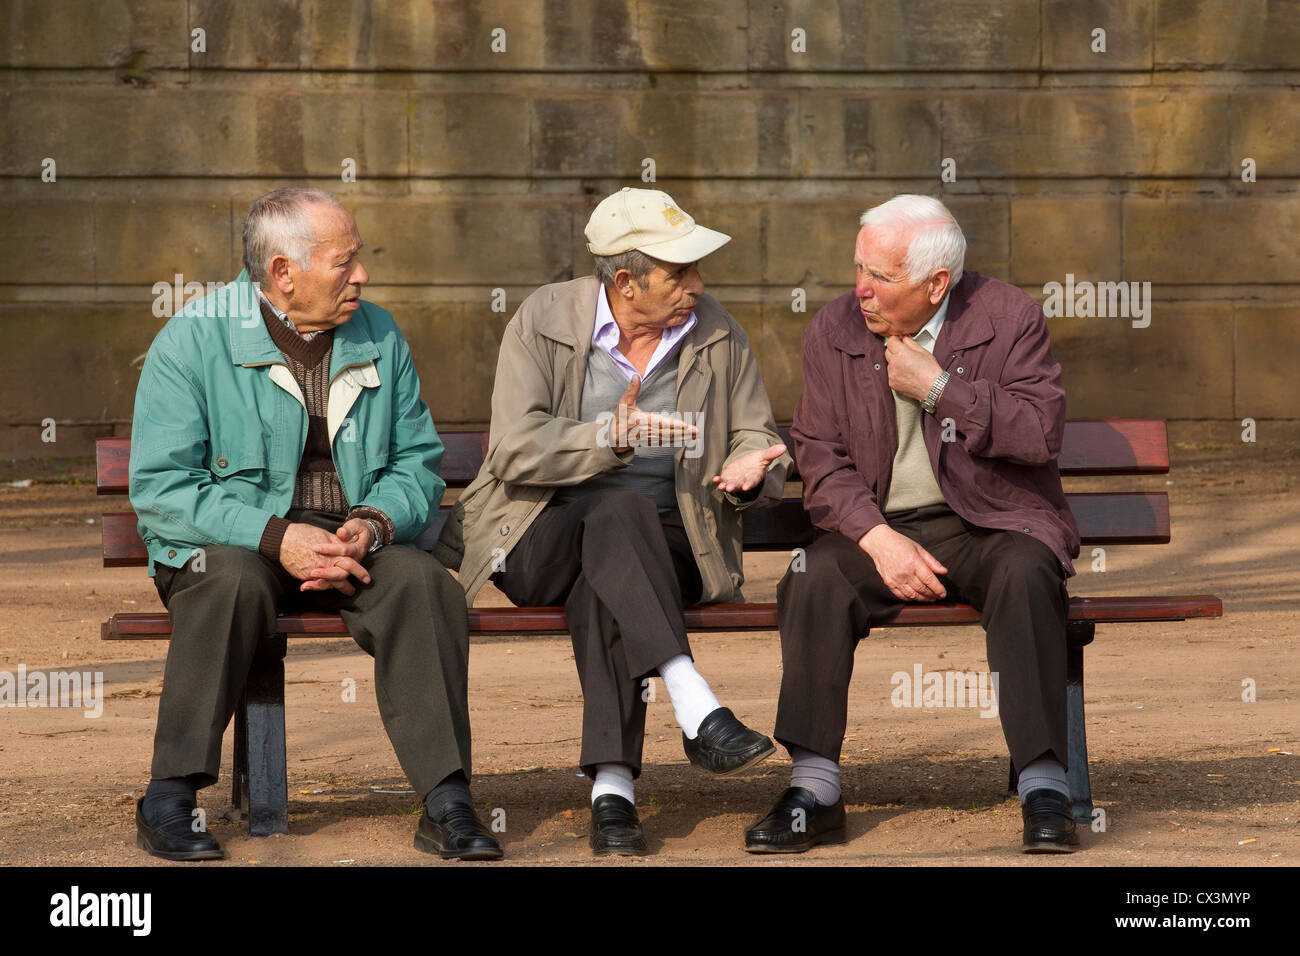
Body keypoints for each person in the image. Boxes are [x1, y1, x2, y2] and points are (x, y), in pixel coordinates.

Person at [129, 187, 500, 861]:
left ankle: (449, 800)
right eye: (345, 261)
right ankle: (170, 796)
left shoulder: (380, 334)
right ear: (282, 273)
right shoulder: (193, 339)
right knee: (227, 581)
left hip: (347, 532)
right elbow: (163, 490)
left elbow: (417, 463)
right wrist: (278, 537)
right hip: (234, 537)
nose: (361, 275)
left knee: (423, 584)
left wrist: (375, 522)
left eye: (358, 259)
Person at [439, 187, 791, 856]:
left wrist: (752, 467)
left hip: (670, 545)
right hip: (537, 536)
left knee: (613, 555)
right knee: (615, 511)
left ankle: (613, 793)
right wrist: (608, 438)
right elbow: (513, 447)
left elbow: (756, 433)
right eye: (681, 272)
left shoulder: (716, 332)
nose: (698, 285)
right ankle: (691, 703)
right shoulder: (543, 319)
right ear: (626, 282)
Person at [746, 194, 1082, 855]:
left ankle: (1045, 784)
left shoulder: (1008, 317)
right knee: (812, 576)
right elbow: (819, 454)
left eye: (881, 277)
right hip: (877, 527)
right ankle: (813, 789)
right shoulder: (833, 329)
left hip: (989, 521)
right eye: (858, 269)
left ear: (936, 285)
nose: (861, 290)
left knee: (1026, 571)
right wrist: (876, 539)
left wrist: (938, 388)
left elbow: (1038, 433)